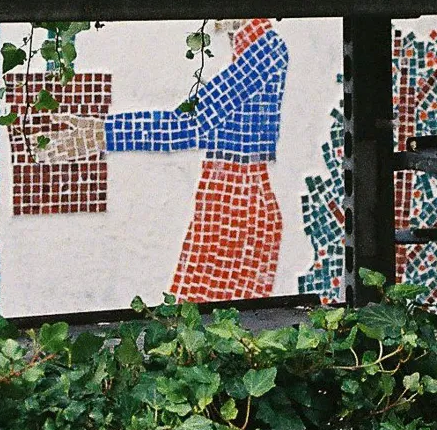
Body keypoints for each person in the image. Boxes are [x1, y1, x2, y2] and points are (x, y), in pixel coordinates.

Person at [44, 18, 289, 300]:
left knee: (208, 314)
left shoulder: (264, 50)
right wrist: (101, 132)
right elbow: (206, 125)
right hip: (225, 196)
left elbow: (192, 123)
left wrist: (103, 134)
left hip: (240, 205)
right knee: (193, 313)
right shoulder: (251, 50)